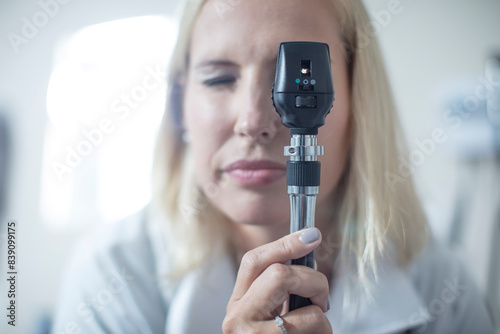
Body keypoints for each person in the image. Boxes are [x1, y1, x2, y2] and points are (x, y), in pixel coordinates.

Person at [52, 0, 495, 333]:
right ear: (180, 106)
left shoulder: (443, 289)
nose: (254, 122)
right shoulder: (111, 276)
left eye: (301, 80)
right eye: (219, 78)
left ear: (360, 103)